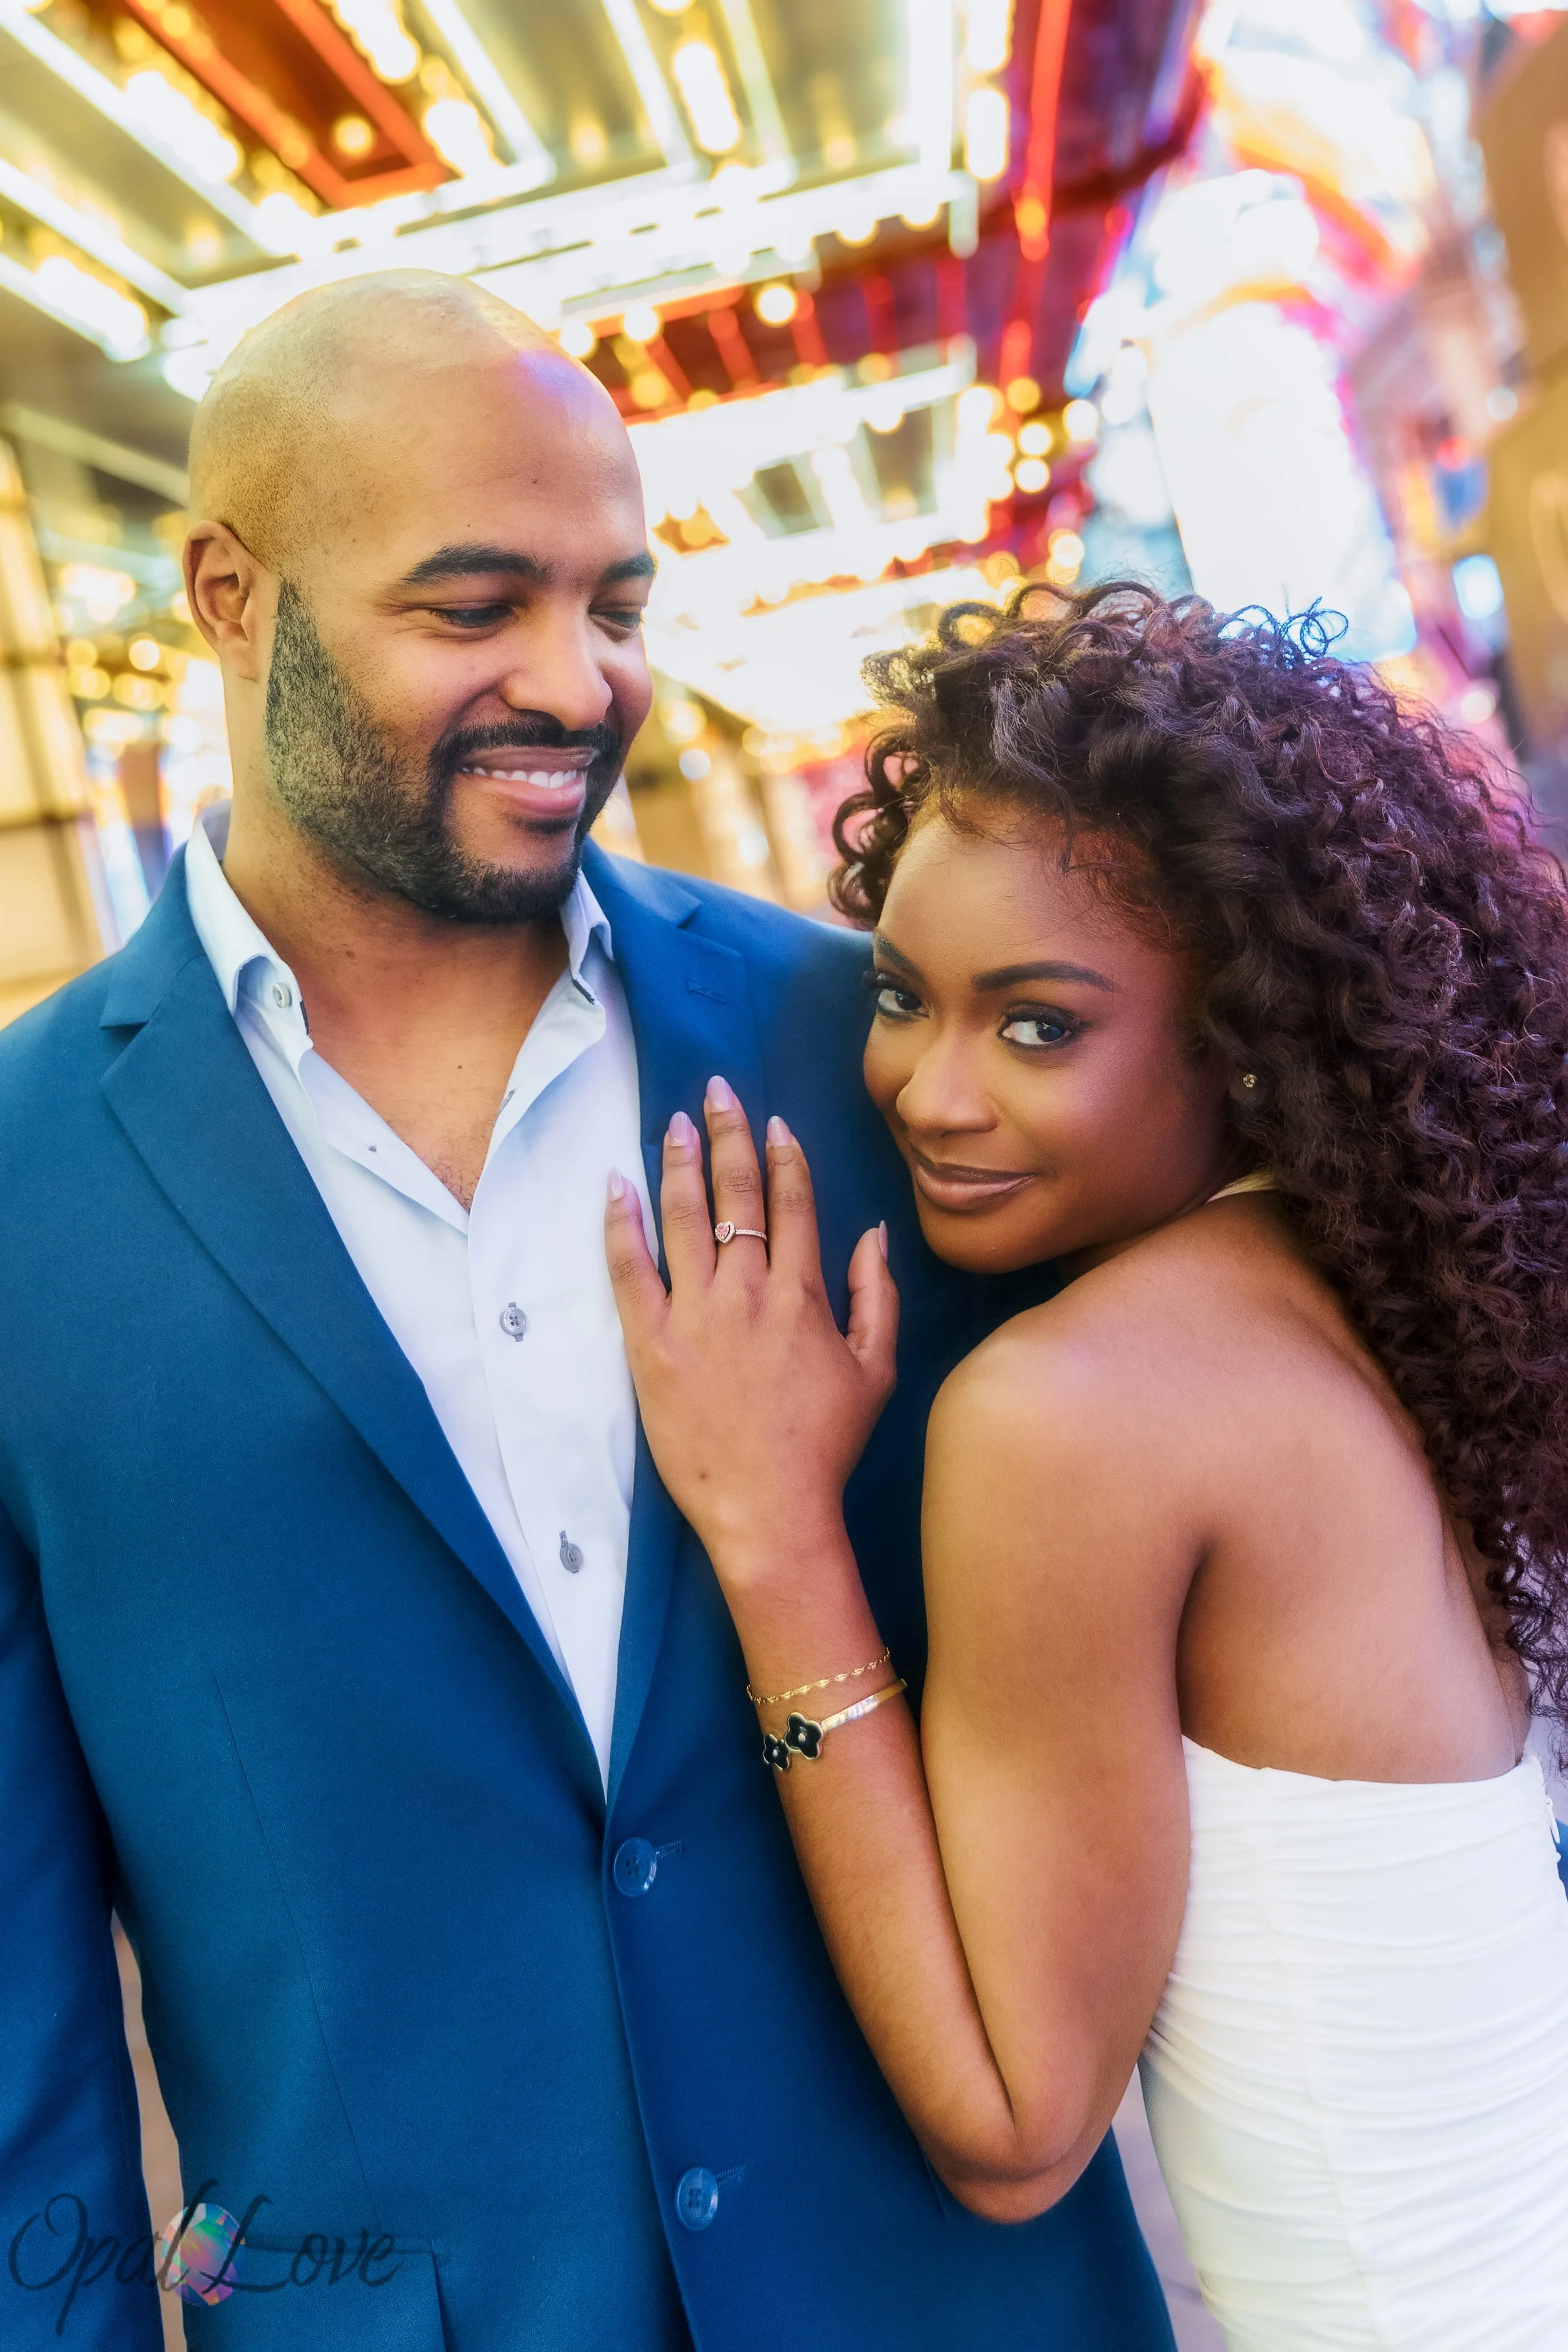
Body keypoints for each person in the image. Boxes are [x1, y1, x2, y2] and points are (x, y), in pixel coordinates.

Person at [0, 278, 1175, 2349]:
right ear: (226, 595)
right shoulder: (20, 1182)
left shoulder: (874, 1055)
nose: (577, 679)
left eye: (614, 601)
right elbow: (20, 2034)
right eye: (473, 607)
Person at [607, 585, 1568, 2352]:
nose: (927, 1090)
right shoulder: (1354, 1285)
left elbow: (1015, 2125)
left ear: (1249, 1032)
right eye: (900, 994)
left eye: (1037, 1024)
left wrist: (770, 1533)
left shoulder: (1074, 1408)